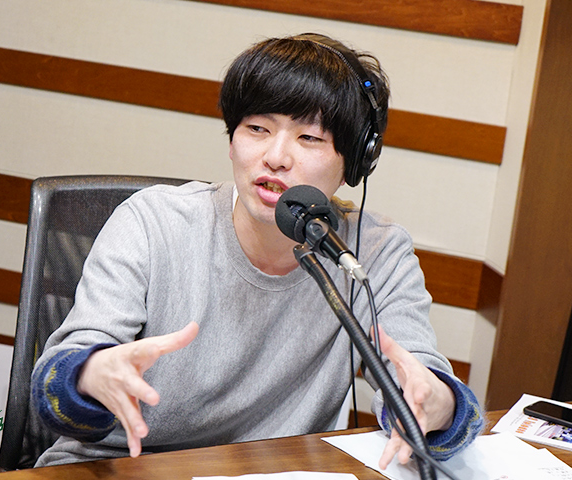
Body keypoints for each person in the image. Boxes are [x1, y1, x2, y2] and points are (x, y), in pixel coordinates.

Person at [31, 33, 484, 469]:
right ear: (232, 141)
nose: (276, 156)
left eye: (309, 138)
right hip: (121, 466)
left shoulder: (373, 254)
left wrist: (437, 405)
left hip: (274, 471)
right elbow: (56, 389)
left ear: (355, 163)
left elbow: (421, 380)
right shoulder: (153, 223)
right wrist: (89, 375)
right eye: (257, 128)